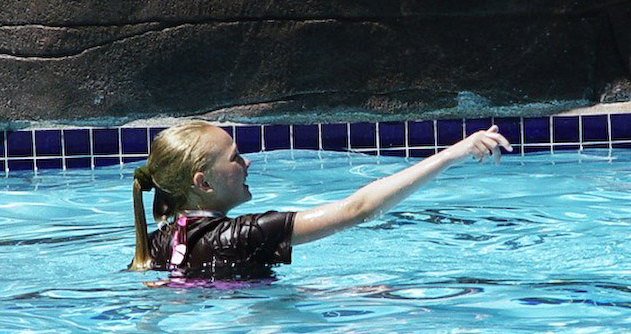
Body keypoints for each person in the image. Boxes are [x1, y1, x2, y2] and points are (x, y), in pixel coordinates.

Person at [130, 120, 512, 278]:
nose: (247, 163)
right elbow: (359, 209)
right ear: (204, 184)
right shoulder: (244, 235)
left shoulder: (157, 243)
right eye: (235, 158)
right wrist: (451, 155)